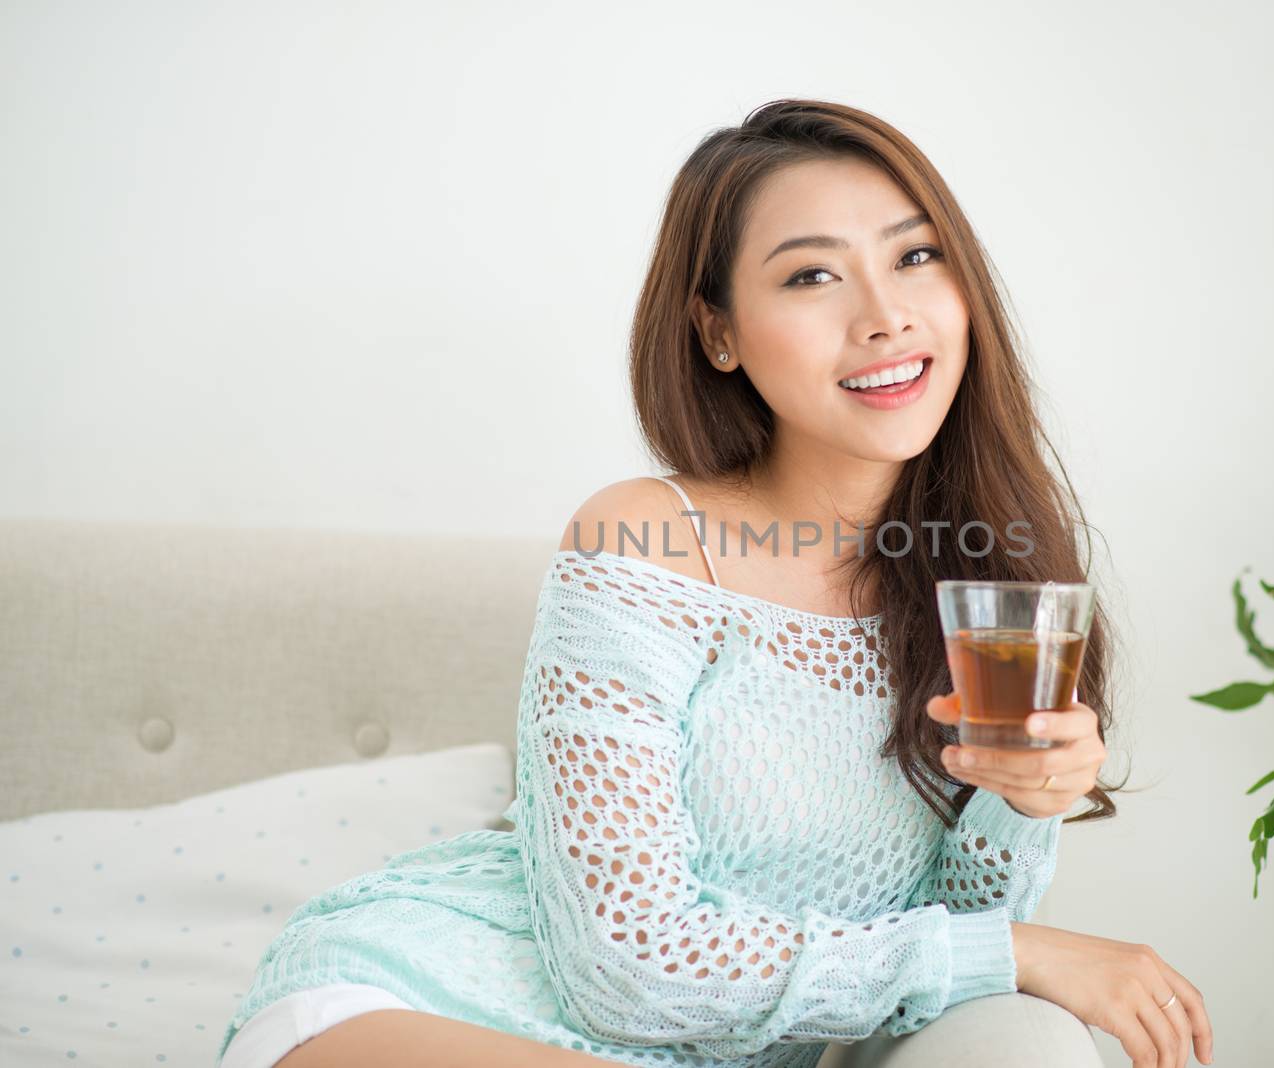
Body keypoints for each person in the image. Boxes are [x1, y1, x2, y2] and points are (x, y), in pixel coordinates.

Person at [215, 98, 1213, 1068]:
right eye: (812, 275)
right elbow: (626, 967)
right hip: (433, 1000)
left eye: (915, 256)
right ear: (717, 332)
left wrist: (1023, 802)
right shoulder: (644, 539)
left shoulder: (979, 574)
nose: (883, 316)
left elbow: (941, 948)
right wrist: (1024, 955)